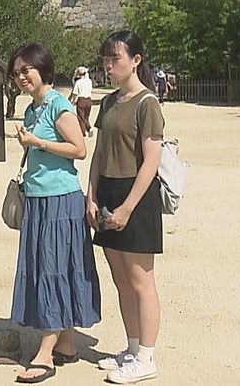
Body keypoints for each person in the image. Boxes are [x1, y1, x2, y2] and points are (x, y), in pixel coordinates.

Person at [8, 43, 100, 384]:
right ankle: (66, 343)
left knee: (52, 270)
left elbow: (79, 149)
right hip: (39, 199)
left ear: (42, 68)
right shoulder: (33, 108)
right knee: (53, 267)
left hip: (60, 202)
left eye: (26, 70)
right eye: (16, 72)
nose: (21, 77)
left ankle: (45, 355)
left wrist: (38, 143)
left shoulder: (59, 105)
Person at [88, 31, 166, 384]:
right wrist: (91, 195)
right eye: (106, 58)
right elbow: (99, 152)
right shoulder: (107, 103)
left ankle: (147, 356)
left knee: (140, 281)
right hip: (107, 189)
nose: (109, 65)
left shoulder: (147, 103)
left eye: (115, 58)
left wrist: (127, 209)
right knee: (120, 279)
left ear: (135, 60)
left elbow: (151, 161)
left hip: (136, 194)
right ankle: (132, 348)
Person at [72, 66, 94, 138]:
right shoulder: (89, 81)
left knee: (81, 117)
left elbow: (75, 93)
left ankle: (83, 132)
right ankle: (88, 128)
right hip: (89, 100)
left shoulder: (78, 82)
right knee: (86, 117)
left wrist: (73, 101)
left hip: (81, 100)